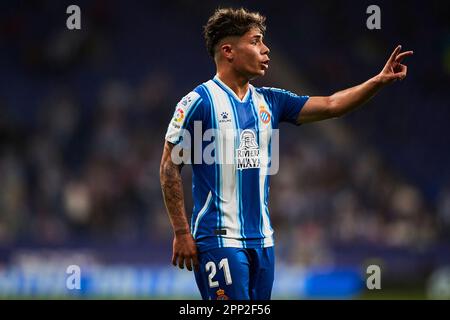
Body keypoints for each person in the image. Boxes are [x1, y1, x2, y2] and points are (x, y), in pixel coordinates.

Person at [159, 7, 412, 300]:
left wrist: (377, 81)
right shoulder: (197, 102)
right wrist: (180, 232)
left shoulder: (271, 101)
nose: (266, 49)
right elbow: (169, 167)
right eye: (255, 41)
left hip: (263, 241)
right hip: (218, 238)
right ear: (228, 50)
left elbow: (331, 105)